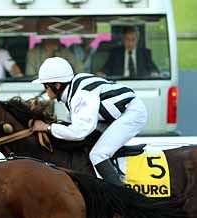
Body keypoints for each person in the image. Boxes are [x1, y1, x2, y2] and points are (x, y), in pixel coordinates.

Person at [30, 57, 147, 186]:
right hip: (114, 114)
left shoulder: (80, 96)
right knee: (92, 143)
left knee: (98, 154)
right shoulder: (73, 87)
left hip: (131, 113)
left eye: (45, 86)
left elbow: (79, 132)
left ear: (57, 85)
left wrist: (47, 127)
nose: (45, 90)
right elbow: (72, 125)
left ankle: (122, 196)